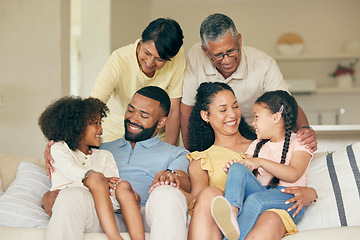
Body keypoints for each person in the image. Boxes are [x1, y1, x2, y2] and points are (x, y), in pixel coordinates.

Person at [42, 86, 190, 240]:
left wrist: (170, 177)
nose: (133, 119)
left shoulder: (175, 153)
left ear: (161, 122)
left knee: (167, 192)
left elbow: (184, 182)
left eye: (143, 115)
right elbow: (71, 161)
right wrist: (47, 195)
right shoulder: (100, 149)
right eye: (131, 110)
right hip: (105, 214)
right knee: (72, 195)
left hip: (148, 216)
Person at [184, 82, 318, 240]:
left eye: (235, 106)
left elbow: (294, 170)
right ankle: (231, 216)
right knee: (214, 191)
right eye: (223, 109)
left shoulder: (261, 143)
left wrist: (312, 193)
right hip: (223, 220)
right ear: (206, 115)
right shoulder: (201, 160)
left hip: (270, 210)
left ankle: (232, 222)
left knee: (269, 216)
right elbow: (199, 204)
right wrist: (176, 190)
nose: (233, 114)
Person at [180, 13, 317, 152]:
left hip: (255, 133)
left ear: (239, 40)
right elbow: (187, 108)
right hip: (213, 135)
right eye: (218, 55)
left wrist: (304, 129)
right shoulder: (196, 56)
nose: (227, 60)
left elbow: (286, 103)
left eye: (231, 51)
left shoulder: (263, 64)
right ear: (205, 51)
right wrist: (190, 153)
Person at [38, 97, 144, 240]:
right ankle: (115, 237)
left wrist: (126, 197)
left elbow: (111, 195)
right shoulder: (59, 148)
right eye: (95, 124)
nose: (100, 129)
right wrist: (98, 179)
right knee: (92, 180)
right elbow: (74, 172)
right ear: (76, 126)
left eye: (100, 123)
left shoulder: (105, 156)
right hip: (72, 204)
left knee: (123, 185)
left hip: (100, 215)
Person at [91, 17, 185, 145]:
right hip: (116, 135)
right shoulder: (119, 60)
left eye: (159, 59)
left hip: (156, 138)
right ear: (141, 42)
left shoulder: (177, 58)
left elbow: (174, 110)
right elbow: (94, 105)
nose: (150, 62)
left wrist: (169, 151)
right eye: (147, 53)